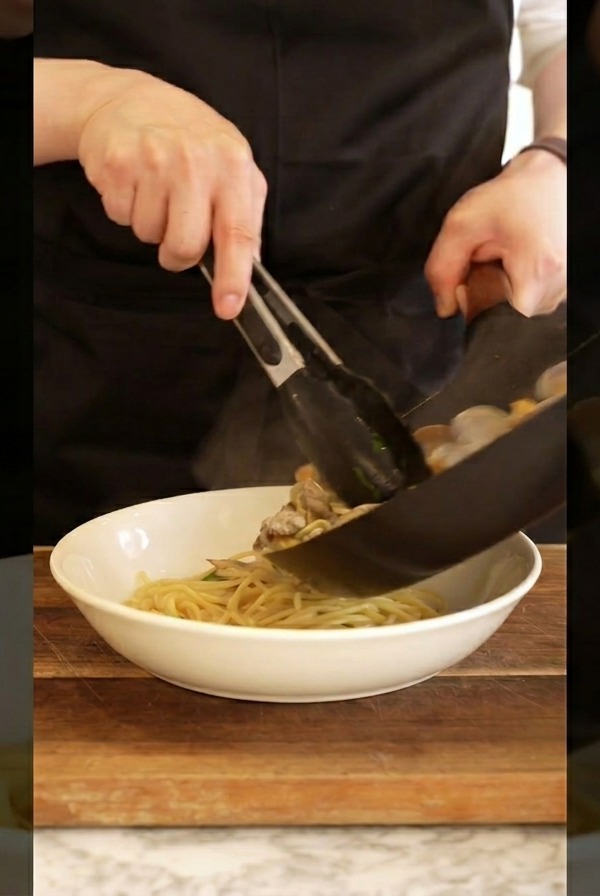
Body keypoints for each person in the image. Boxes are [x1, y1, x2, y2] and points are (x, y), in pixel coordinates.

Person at [33, 0, 566, 544]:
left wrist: (558, 158)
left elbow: (558, 24)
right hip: (104, 355)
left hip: (421, 322)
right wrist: (91, 101)